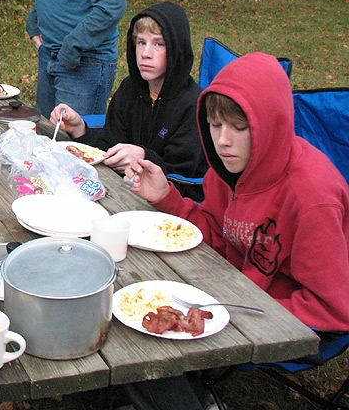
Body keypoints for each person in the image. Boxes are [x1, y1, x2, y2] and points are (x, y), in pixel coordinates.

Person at [122, 52, 349, 410]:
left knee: (145, 350)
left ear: (270, 125)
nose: (222, 141)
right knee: (133, 296)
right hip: (237, 288)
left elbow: (335, 309)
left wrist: (237, 311)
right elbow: (217, 234)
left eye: (239, 128)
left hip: (295, 316)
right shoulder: (227, 170)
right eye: (214, 125)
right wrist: (168, 198)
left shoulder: (312, 197)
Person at [50, 2, 208, 200]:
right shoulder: (130, 89)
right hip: (122, 191)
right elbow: (107, 150)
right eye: (141, 42)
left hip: (173, 204)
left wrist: (143, 157)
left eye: (159, 44)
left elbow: (183, 177)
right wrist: (79, 130)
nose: (146, 53)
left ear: (176, 49)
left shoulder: (193, 104)